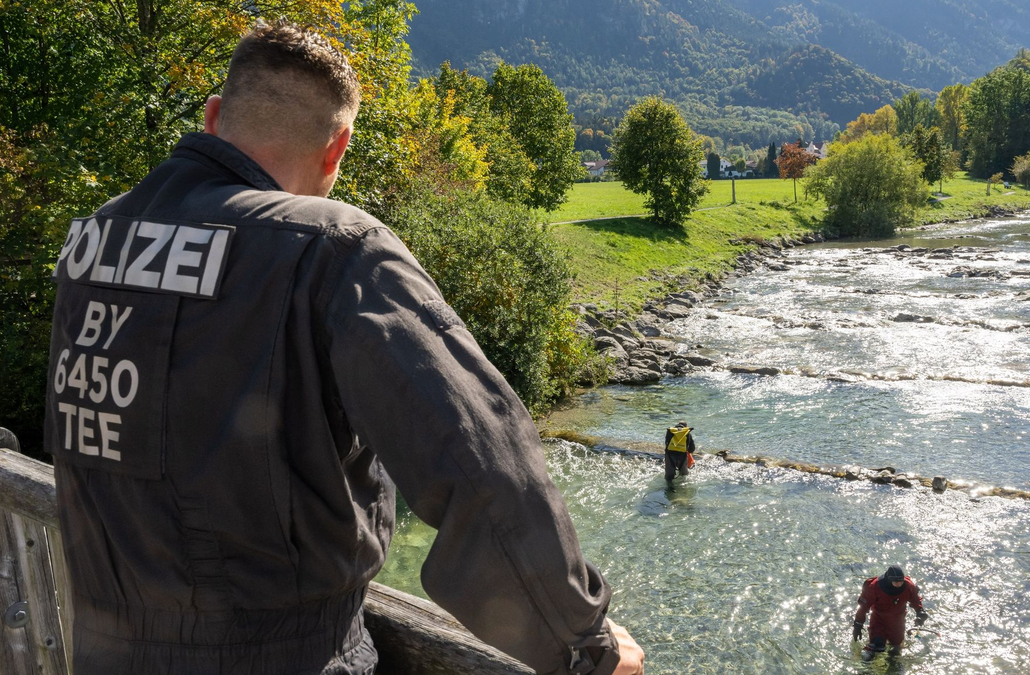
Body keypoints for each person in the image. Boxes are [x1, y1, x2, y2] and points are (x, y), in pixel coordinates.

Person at [44, 21, 643, 675]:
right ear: (339, 149)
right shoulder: (331, 245)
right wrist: (583, 643)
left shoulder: (98, 238)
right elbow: (480, 455)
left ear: (214, 117)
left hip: (104, 651)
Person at [852, 566, 929, 661]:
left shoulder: (908, 586)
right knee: (876, 645)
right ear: (889, 580)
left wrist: (920, 613)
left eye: (901, 581)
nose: (899, 584)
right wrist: (858, 625)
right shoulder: (874, 586)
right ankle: (865, 668)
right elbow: (863, 608)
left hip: (898, 622)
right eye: (896, 582)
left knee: (895, 650)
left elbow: (915, 601)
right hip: (879, 620)